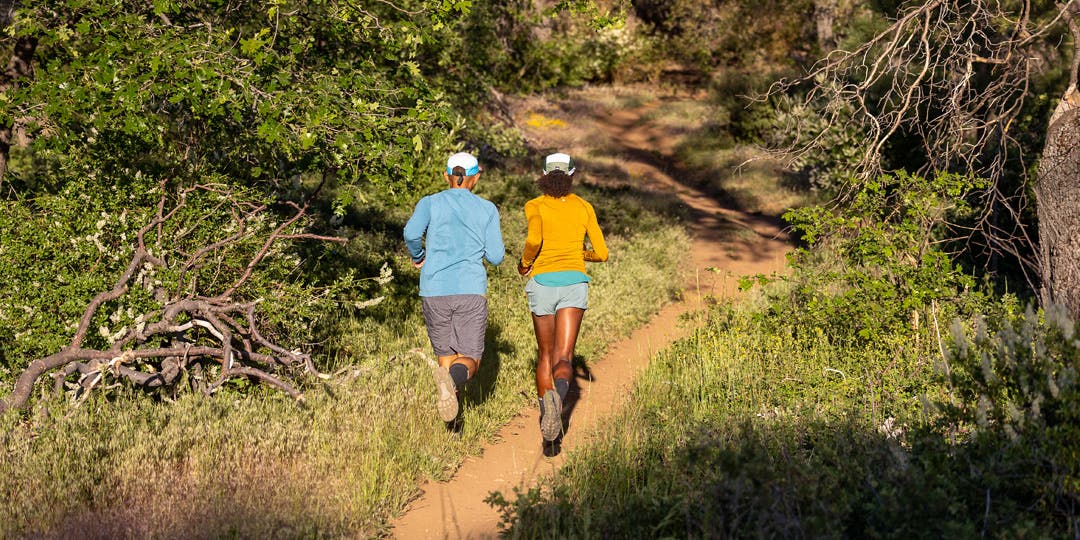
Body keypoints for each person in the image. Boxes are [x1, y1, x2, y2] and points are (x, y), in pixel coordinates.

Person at [404, 152, 505, 423]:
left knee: (445, 354)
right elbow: (496, 257)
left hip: (434, 289)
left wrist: (418, 257)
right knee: (470, 358)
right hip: (470, 289)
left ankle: (452, 421)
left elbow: (411, 234)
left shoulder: (430, 202)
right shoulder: (486, 209)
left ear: (446, 176)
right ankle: (451, 383)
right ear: (476, 178)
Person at [517, 152, 608, 442]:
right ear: (572, 175)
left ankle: (547, 411)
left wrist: (525, 264)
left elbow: (534, 240)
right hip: (574, 283)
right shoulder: (584, 206)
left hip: (543, 281)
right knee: (565, 356)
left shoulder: (534, 205)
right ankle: (560, 400)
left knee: (545, 354)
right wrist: (580, 254)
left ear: (543, 173)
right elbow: (602, 253)